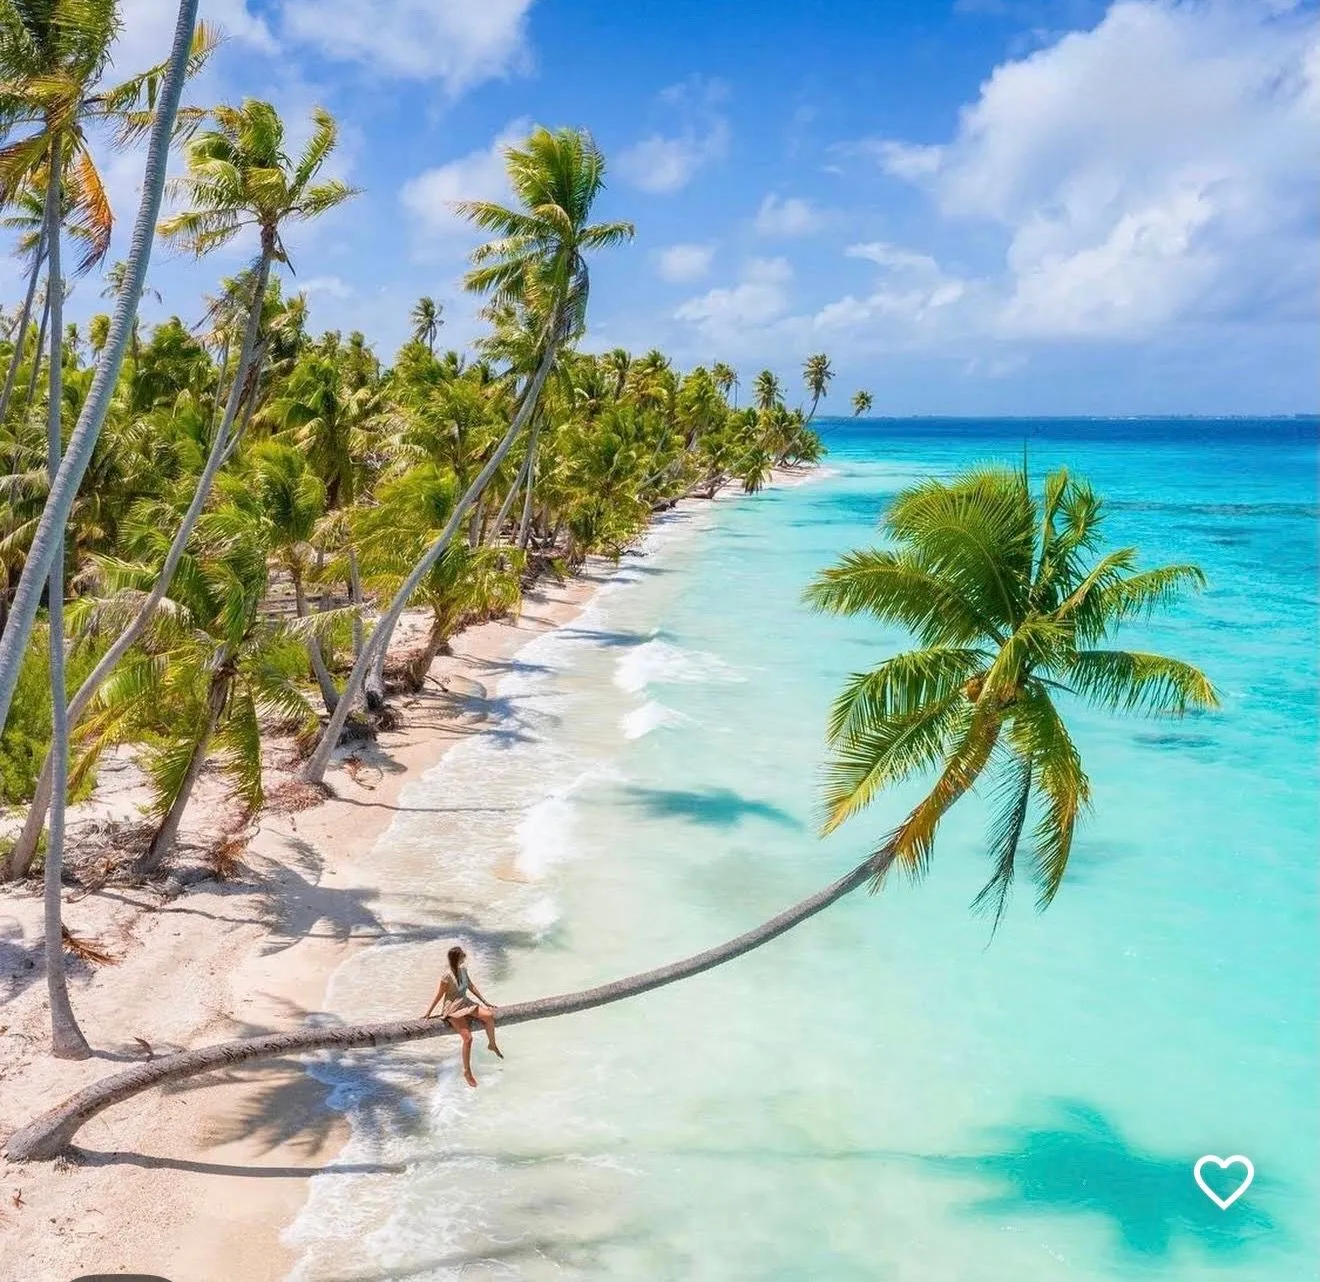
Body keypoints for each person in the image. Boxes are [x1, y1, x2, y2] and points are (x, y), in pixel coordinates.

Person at [423, 945, 504, 1087]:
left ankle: (492, 1044)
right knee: (468, 1038)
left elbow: (471, 986)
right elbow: (439, 995)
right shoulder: (447, 976)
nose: (464, 958)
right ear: (456, 958)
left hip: (465, 1003)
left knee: (488, 1016)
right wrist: (428, 1013)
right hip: (453, 1008)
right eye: (462, 956)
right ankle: (467, 1071)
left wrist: (485, 1002)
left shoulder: (463, 970)